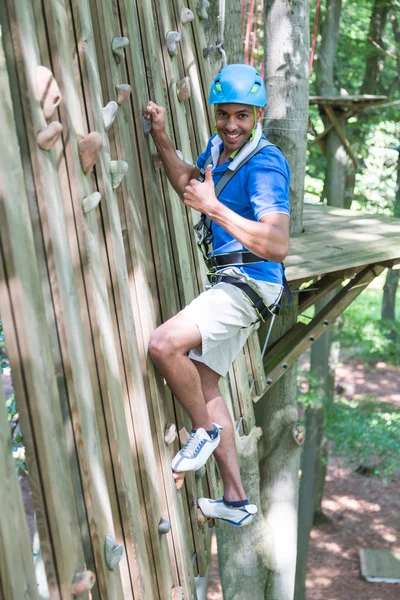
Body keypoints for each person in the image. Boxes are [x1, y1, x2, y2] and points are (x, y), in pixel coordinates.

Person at [145, 64, 290, 527]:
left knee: (165, 345)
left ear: (259, 114)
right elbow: (192, 184)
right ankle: (235, 499)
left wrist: (214, 209)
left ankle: (205, 432)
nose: (231, 125)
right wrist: (163, 139)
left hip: (248, 282)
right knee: (204, 382)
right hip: (232, 281)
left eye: (242, 116)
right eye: (223, 115)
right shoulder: (219, 148)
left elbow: (277, 244)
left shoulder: (266, 164)